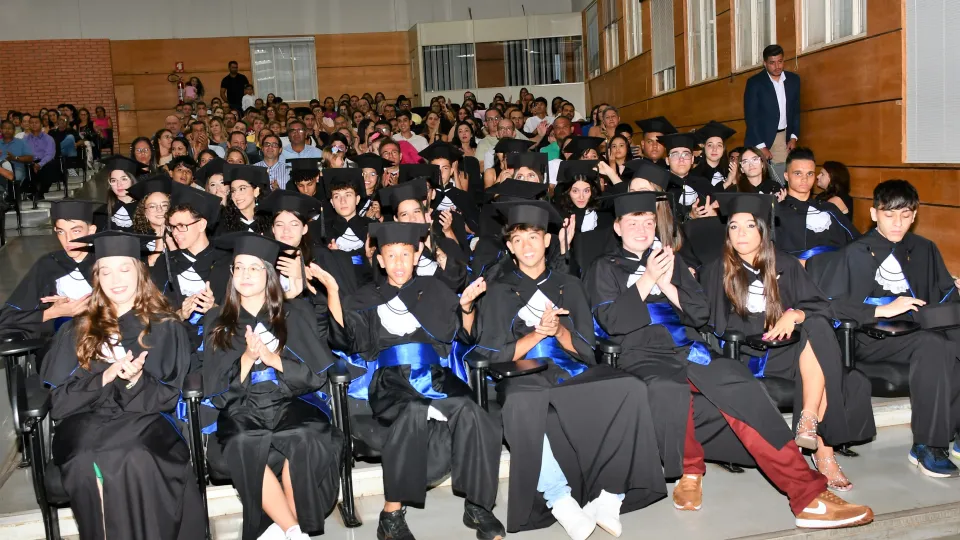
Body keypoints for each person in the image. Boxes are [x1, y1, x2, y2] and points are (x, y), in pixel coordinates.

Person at [585, 190, 874, 529]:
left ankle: (807, 496)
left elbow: (698, 314)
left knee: (742, 385)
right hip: (642, 354)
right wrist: (648, 279)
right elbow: (612, 323)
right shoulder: (603, 268)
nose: (642, 229)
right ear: (618, 228)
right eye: (633, 223)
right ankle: (691, 470)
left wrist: (668, 282)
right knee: (669, 390)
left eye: (649, 222)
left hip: (690, 349)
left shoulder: (671, 260)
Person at [468, 199, 665, 539]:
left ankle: (609, 494)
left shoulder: (569, 284)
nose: (527, 246)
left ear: (547, 240)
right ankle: (560, 500)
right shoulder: (499, 291)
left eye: (533, 237)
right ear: (510, 247)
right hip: (521, 374)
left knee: (629, 387)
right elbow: (493, 355)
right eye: (518, 240)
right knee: (519, 404)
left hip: (570, 370)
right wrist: (536, 334)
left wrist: (558, 331)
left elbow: (589, 350)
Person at [326, 221, 506, 540]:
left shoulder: (434, 290)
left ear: (416, 254)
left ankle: (478, 505)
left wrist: (466, 307)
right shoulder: (366, 296)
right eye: (391, 256)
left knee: (474, 413)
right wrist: (332, 293)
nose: (398, 263)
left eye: (405, 254)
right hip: (389, 380)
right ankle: (391, 515)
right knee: (411, 412)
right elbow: (345, 340)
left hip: (434, 375)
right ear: (380, 260)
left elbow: (463, 334)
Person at [701, 192, 876, 491]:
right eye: (734, 226)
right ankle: (824, 455)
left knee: (817, 325)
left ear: (763, 230)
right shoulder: (717, 270)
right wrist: (762, 323)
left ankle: (809, 421)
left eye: (749, 226)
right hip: (748, 355)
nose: (741, 233)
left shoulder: (787, 264)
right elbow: (711, 324)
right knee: (824, 359)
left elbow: (821, 305)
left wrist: (792, 314)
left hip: (791, 355)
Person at [39, 230, 205, 540]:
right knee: (86, 456)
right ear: (97, 277)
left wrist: (135, 380)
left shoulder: (165, 326)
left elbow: (168, 396)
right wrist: (106, 375)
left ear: (140, 272)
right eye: (106, 270)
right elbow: (60, 402)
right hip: (84, 421)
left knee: (134, 456)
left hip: (146, 419)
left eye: (125, 268)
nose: (116, 278)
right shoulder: (79, 327)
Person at [201, 232, 346, 540]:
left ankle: (286, 531)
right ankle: (294, 531)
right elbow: (216, 390)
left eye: (254, 268)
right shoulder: (217, 320)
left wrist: (271, 357)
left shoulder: (295, 312)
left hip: (290, 401)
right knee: (242, 441)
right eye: (239, 267)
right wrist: (247, 358)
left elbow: (315, 376)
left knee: (304, 437)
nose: (245, 274)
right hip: (242, 406)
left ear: (269, 273)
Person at [816, 179, 960, 478]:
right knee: (936, 345)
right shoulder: (855, 253)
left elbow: (945, 294)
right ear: (873, 214)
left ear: (915, 214)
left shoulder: (924, 248)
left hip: (915, 331)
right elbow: (829, 305)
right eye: (889, 214)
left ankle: (956, 429)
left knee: (951, 337)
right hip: (867, 336)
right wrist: (881, 309)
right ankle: (928, 445)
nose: (898, 223)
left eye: (906, 215)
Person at [0, 200, 98, 338]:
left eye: (76, 231)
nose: (68, 240)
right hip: (62, 343)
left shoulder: (105, 262)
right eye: (61, 232)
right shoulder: (49, 264)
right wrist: (54, 312)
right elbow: (8, 318)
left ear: (91, 230)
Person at [378, 178, 467, 292]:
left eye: (417, 211)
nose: (412, 218)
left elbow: (459, 283)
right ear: (396, 219)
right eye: (405, 214)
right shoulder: (388, 251)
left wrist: (432, 246)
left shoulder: (447, 244)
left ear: (426, 215)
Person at [775, 148, 859, 263]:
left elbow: (856, 240)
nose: (804, 179)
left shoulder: (828, 208)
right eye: (798, 173)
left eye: (809, 174)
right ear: (786, 176)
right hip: (795, 275)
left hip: (835, 273)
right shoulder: (777, 212)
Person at [744, 44, 801, 164]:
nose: (777, 66)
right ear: (765, 63)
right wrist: (761, 146)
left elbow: (795, 111)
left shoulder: (793, 80)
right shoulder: (754, 83)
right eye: (772, 63)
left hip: (782, 137)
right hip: (759, 138)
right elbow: (751, 117)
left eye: (780, 61)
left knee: (780, 177)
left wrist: (793, 137)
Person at [659, 132, 717, 221]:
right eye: (675, 155)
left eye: (686, 154)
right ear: (667, 160)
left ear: (692, 159)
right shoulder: (660, 186)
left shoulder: (703, 184)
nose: (681, 159)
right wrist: (690, 216)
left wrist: (716, 213)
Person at [130, 174, 175, 266]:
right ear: (144, 212)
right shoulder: (136, 242)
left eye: (164, 205)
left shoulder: (182, 234)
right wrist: (158, 248)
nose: (159, 210)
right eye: (152, 206)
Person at [221, 164, 270, 234]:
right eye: (233, 191)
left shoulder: (270, 223)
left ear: (256, 191)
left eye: (242, 188)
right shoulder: (224, 225)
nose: (236, 195)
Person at [97, 156, 140, 232]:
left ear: (132, 180)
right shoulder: (102, 212)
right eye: (113, 180)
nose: (119, 184)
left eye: (124, 179)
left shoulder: (144, 209)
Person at [693, 120, 738, 190]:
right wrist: (727, 183)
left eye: (719, 145)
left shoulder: (730, 172)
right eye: (710, 145)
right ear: (704, 148)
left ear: (723, 149)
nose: (714, 149)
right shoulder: (694, 175)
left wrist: (735, 181)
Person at [23, 115, 57, 198]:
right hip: (31, 163)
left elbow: (50, 154)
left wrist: (39, 165)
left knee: (51, 166)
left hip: (45, 162)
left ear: (41, 124)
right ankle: (31, 191)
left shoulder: (48, 139)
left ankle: (40, 193)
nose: (34, 124)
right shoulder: (25, 140)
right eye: (31, 123)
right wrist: (32, 164)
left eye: (36, 123)